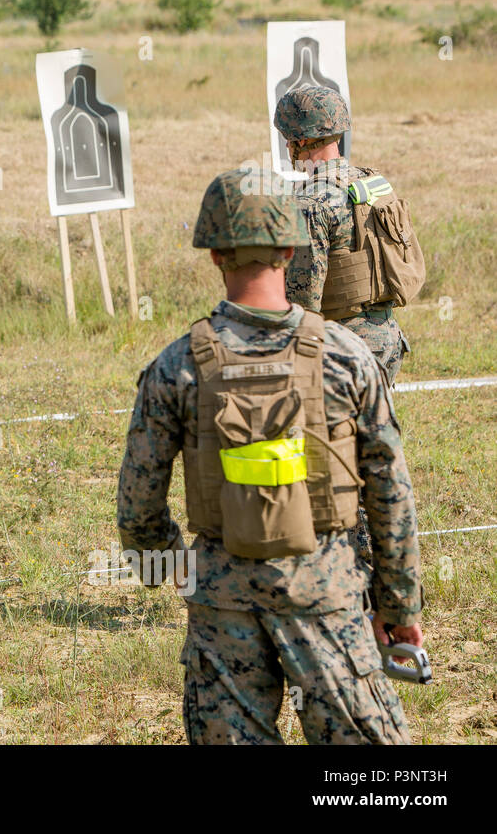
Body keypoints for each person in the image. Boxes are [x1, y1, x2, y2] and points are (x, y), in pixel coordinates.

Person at [116, 166, 423, 744]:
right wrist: (399, 602)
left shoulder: (176, 366)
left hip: (221, 606)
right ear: (290, 248)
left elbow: (138, 510)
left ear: (214, 255)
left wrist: (179, 568)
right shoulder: (348, 356)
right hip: (327, 597)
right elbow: (390, 492)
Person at [274, 85, 427, 568]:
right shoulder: (373, 183)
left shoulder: (309, 203)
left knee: (341, 462)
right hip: (384, 340)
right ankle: (395, 564)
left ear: (297, 141)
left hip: (338, 349)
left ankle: (358, 569)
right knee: (379, 456)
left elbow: (302, 305)